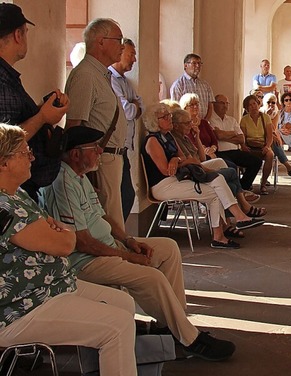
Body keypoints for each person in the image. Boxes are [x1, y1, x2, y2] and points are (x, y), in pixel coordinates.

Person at [43, 125, 237, 362]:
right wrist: (127, 256)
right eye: (94, 148)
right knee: (150, 277)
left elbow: (103, 216)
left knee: (168, 248)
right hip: (86, 261)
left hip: (107, 247)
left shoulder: (80, 177)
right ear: (75, 154)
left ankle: (172, 327)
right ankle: (190, 340)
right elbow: (83, 242)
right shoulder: (63, 182)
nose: (100, 152)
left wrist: (128, 240)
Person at [0, 123, 137, 376]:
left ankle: (103, 366)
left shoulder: (17, 194)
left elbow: (56, 232)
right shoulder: (5, 207)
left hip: (49, 288)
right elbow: (65, 244)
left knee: (124, 303)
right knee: (117, 326)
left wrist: (56, 229)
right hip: (22, 306)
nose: (32, 157)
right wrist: (59, 231)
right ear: (4, 163)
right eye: (24, 153)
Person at [141, 103, 264, 249]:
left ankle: (230, 225)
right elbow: (166, 171)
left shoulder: (168, 137)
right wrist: (179, 160)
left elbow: (183, 157)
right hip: (164, 185)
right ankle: (226, 229)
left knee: (217, 182)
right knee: (214, 191)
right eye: (165, 117)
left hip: (179, 179)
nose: (169, 119)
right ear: (155, 122)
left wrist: (177, 160)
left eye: (169, 115)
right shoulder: (152, 141)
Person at [0, 3, 70, 201]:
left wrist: (43, 110)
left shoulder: (8, 76)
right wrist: (42, 117)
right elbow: (4, 138)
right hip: (11, 192)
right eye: (26, 33)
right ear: (18, 35)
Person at [65, 18, 129, 232]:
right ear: (101, 42)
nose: (122, 46)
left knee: (115, 217)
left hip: (110, 157)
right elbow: (74, 125)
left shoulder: (100, 74)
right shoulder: (86, 75)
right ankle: (114, 263)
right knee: (110, 223)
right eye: (118, 39)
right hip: (100, 159)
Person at [170, 107, 266, 220]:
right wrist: (210, 170)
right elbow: (194, 161)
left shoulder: (185, 137)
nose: (190, 125)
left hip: (200, 165)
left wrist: (197, 138)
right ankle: (241, 210)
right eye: (187, 123)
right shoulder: (176, 139)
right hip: (194, 172)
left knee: (231, 175)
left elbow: (201, 156)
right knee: (230, 173)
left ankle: (234, 216)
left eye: (190, 122)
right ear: (176, 125)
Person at [109, 38, 143, 221]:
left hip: (123, 147)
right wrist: (133, 105)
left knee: (127, 195)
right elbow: (128, 111)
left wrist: (134, 105)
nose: (134, 59)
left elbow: (140, 106)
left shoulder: (126, 82)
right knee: (119, 196)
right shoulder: (110, 79)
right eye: (131, 54)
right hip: (112, 147)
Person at [211, 94, 263, 192]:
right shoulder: (211, 120)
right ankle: (237, 191)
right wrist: (233, 134)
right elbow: (219, 136)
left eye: (227, 103)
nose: (225, 105)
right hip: (220, 152)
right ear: (214, 104)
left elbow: (241, 139)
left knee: (256, 162)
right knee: (231, 167)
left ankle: (242, 188)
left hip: (235, 151)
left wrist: (224, 136)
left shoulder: (232, 120)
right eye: (222, 103)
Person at [261, 93, 291, 177]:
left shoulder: (278, 113)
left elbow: (274, 128)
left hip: (289, 134)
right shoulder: (262, 112)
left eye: (273, 102)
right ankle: (288, 168)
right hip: (268, 137)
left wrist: (288, 132)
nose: (271, 104)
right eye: (286, 100)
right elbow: (269, 128)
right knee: (275, 143)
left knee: (274, 143)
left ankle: (281, 167)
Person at [240, 94, 274, 195]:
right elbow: (243, 137)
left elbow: (270, 136)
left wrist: (267, 146)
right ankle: (248, 181)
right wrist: (243, 146)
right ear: (246, 108)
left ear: (258, 104)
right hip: (250, 145)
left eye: (254, 104)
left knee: (270, 155)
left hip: (262, 145)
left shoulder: (265, 117)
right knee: (241, 156)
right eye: (250, 105)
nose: (253, 106)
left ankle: (263, 183)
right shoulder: (244, 120)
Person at [170, 53, 214, 122]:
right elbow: (176, 108)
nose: (197, 66)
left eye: (199, 63)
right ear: (185, 66)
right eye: (194, 63)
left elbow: (210, 106)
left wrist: (205, 122)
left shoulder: (205, 85)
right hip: (186, 124)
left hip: (203, 123)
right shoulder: (178, 85)